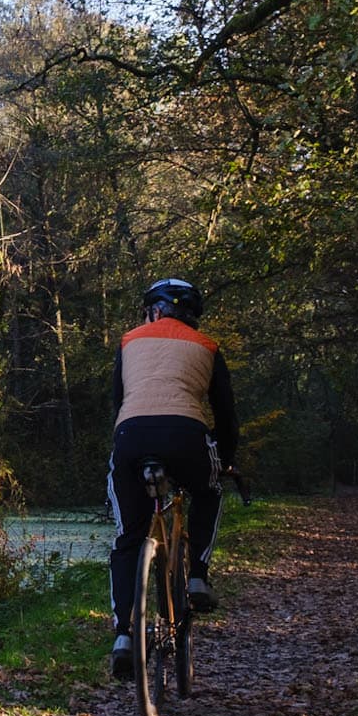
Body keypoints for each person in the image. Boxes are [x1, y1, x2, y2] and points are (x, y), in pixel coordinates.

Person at [107, 278, 239, 680]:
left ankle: (124, 635)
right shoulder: (208, 347)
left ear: (154, 311)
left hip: (131, 438)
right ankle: (197, 574)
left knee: (129, 537)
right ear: (192, 315)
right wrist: (226, 460)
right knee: (208, 488)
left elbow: (118, 401)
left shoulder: (129, 341)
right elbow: (226, 416)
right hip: (188, 438)